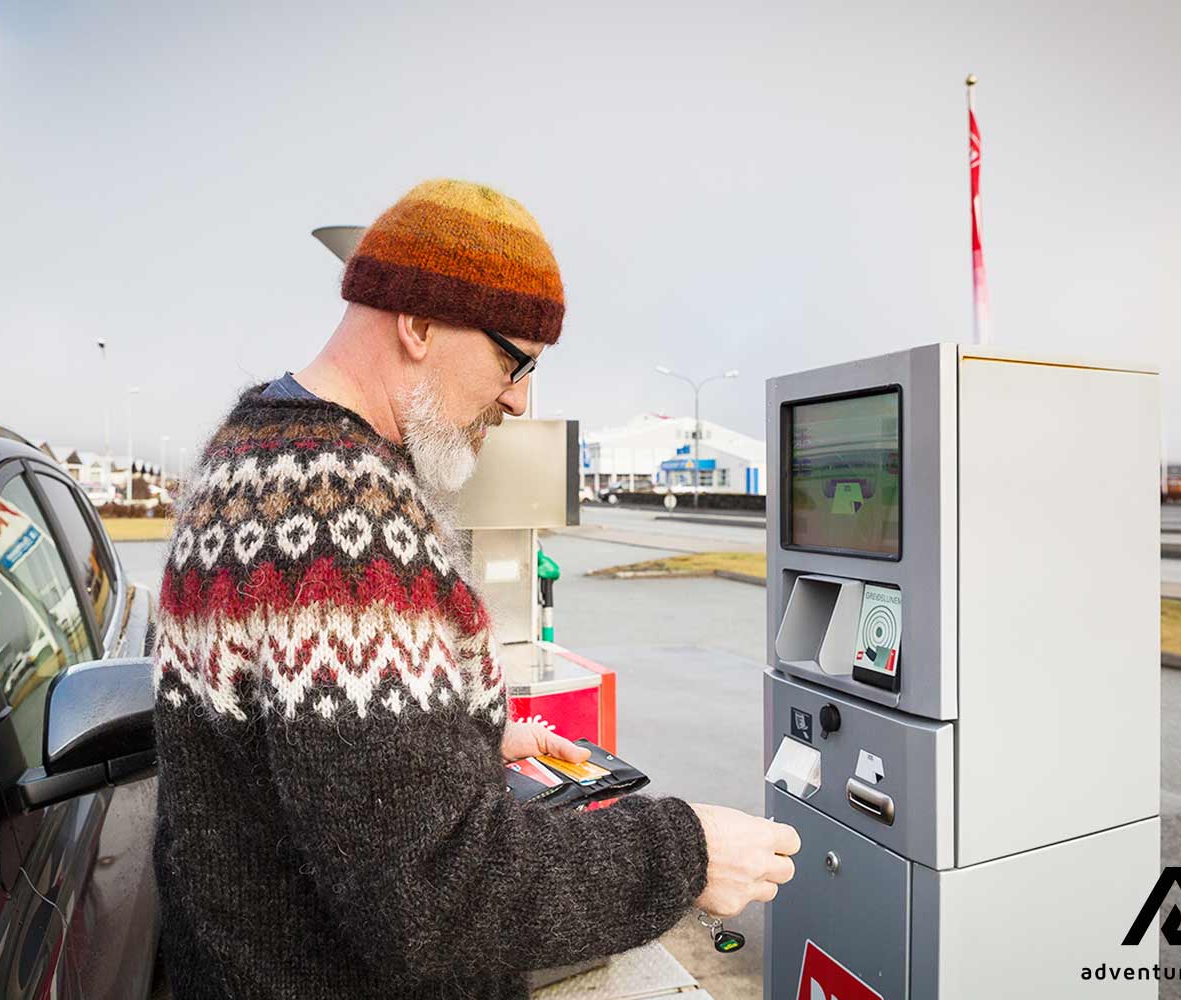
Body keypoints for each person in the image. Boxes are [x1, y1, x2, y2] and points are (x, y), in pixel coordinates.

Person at [152, 178, 799, 1000]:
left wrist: (452, 745)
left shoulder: (251, 454)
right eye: (511, 359)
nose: (519, 400)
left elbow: (294, 750)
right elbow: (436, 898)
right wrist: (688, 851)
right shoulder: (344, 523)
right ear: (418, 323)